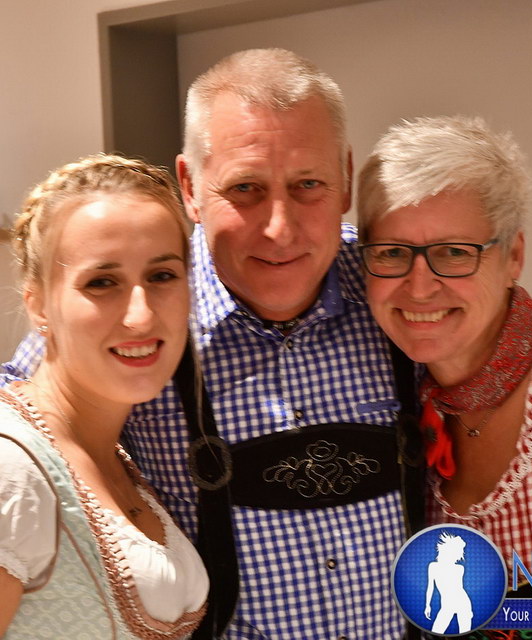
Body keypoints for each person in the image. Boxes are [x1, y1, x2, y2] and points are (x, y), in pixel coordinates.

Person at [2, 49, 408, 639]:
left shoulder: (399, 289)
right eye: (245, 188)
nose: (279, 228)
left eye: (308, 185)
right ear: (191, 186)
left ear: (345, 176)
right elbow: (32, 414)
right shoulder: (145, 316)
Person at [358, 115, 532, 640]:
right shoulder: (397, 421)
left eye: (453, 252)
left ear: (514, 256)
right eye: (393, 252)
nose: (419, 287)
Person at [0, 154, 209, 638]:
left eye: (162, 276)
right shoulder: (12, 468)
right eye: (102, 283)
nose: (141, 315)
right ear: (39, 305)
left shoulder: (113, 457)